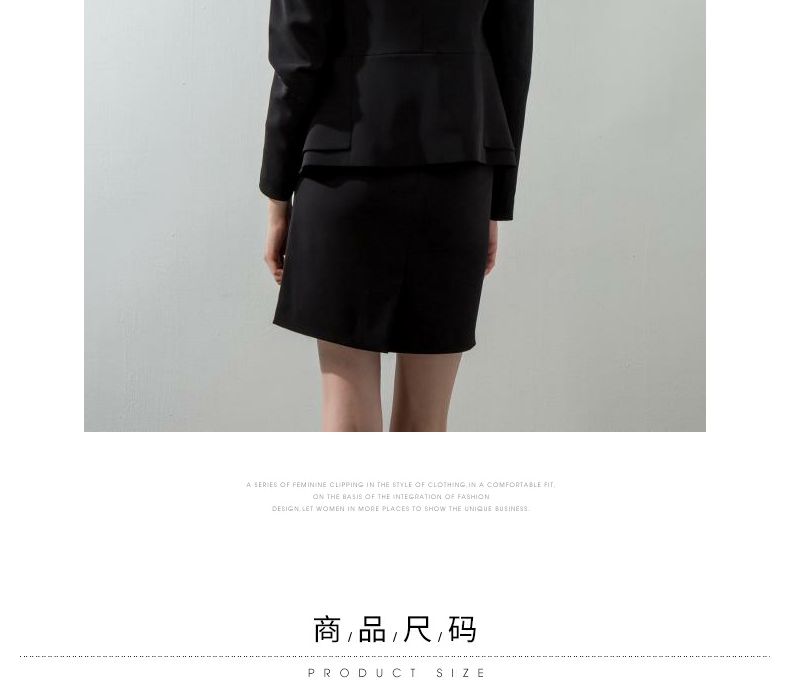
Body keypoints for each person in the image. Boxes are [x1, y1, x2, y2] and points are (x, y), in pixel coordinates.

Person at [260, 0, 534, 431]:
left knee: (348, 416)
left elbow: (297, 60)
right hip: (459, 170)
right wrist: (496, 199)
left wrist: (277, 195)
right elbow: (513, 58)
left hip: (344, 167)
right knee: (426, 422)